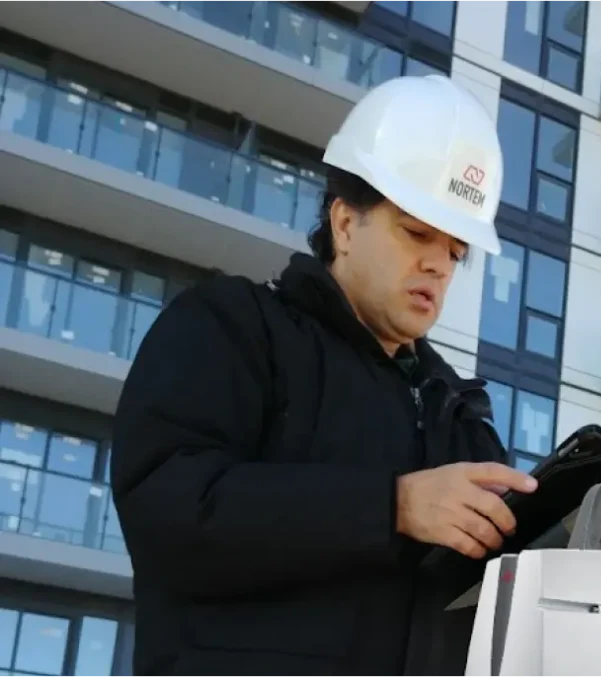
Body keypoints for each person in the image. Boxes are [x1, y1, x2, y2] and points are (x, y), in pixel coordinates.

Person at [110, 74, 539, 677]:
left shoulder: (460, 413)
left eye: (455, 250)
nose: (438, 264)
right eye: (417, 232)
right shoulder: (233, 327)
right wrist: (391, 508)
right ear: (344, 223)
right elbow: (168, 510)